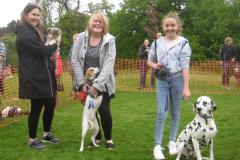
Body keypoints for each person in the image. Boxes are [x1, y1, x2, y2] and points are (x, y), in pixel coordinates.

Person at [147, 12, 191, 160]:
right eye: (167, 25)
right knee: (161, 112)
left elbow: (185, 66)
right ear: (163, 27)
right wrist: (155, 65)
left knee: (175, 113)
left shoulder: (184, 43)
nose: (170, 27)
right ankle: (157, 146)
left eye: (173, 25)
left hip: (177, 80)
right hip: (162, 81)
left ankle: (172, 141)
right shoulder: (157, 42)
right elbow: (149, 61)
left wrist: (186, 87)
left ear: (178, 26)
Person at [16, 3, 60, 150]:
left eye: (38, 15)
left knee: (50, 104)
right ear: (26, 14)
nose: (36, 17)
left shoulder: (36, 29)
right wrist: (56, 45)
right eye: (33, 14)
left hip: (45, 74)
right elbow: (40, 50)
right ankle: (32, 140)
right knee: (36, 107)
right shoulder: (24, 31)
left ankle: (46, 134)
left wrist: (52, 56)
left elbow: (43, 53)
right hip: (34, 76)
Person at [71, 11, 116, 149]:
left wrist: (96, 86)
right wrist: (82, 83)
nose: (97, 24)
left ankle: (109, 140)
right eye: (95, 21)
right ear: (90, 23)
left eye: (100, 21)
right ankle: (97, 137)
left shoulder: (110, 40)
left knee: (104, 110)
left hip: (103, 83)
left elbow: (109, 64)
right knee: (91, 111)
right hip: (85, 83)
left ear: (104, 25)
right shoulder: (80, 37)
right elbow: (74, 59)